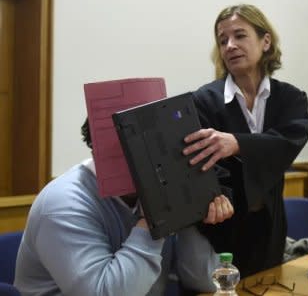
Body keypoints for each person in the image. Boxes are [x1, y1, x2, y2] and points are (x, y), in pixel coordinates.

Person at [14, 119, 234, 296]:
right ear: (96, 153)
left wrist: (193, 214)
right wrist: (154, 220)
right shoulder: (62, 203)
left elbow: (203, 280)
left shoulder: (151, 189)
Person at [182, 4, 308, 277]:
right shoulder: (202, 101)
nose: (230, 45)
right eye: (222, 40)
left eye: (240, 36)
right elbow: (203, 163)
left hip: (271, 227)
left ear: (266, 41)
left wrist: (237, 143)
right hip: (220, 231)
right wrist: (217, 198)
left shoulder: (290, 98)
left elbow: (288, 141)